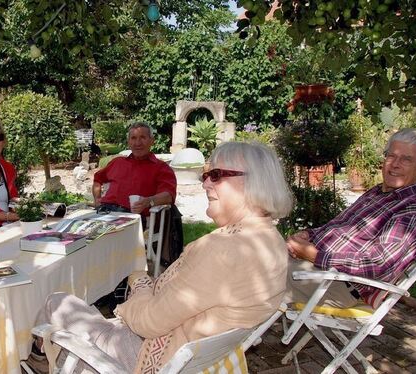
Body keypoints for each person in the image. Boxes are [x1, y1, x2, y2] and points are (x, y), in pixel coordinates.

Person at [33, 141, 293, 373]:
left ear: (253, 182)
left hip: (145, 356)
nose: (205, 183)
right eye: (206, 175)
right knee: (80, 310)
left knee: (57, 302)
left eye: (216, 175)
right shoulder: (271, 241)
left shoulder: (224, 248)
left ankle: (43, 358)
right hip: (196, 357)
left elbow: (148, 323)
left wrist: (139, 283)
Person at [286, 128, 416, 308]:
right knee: (253, 252)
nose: (395, 164)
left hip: (338, 284)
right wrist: (308, 235)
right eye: (391, 156)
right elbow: (338, 226)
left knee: (258, 270)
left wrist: (315, 256)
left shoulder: (413, 210)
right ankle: (248, 330)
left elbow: (378, 263)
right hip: (317, 270)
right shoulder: (378, 193)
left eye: (406, 159)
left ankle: (247, 329)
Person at [92, 122, 176, 215]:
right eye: (133, 138)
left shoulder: (161, 168)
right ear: (128, 142)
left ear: (152, 141)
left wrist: (148, 201)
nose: (138, 143)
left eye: (143, 138)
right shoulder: (118, 162)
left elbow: (168, 195)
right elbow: (97, 179)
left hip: (132, 218)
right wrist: (97, 199)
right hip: (105, 212)